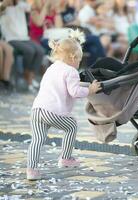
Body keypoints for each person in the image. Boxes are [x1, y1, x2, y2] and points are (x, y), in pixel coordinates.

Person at [26, 30, 101, 181]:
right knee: (71, 125)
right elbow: (74, 91)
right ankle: (66, 158)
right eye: (79, 60)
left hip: (37, 110)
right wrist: (90, 90)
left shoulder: (52, 67)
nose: (79, 63)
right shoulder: (71, 71)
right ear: (73, 58)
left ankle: (31, 170)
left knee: (37, 140)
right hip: (53, 112)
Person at [0, 0, 45, 92]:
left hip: (24, 38)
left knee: (40, 51)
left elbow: (31, 7)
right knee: (29, 51)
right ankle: (26, 76)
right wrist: (5, 4)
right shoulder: (3, 6)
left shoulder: (21, 5)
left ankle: (30, 78)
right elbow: (2, 8)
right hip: (10, 38)